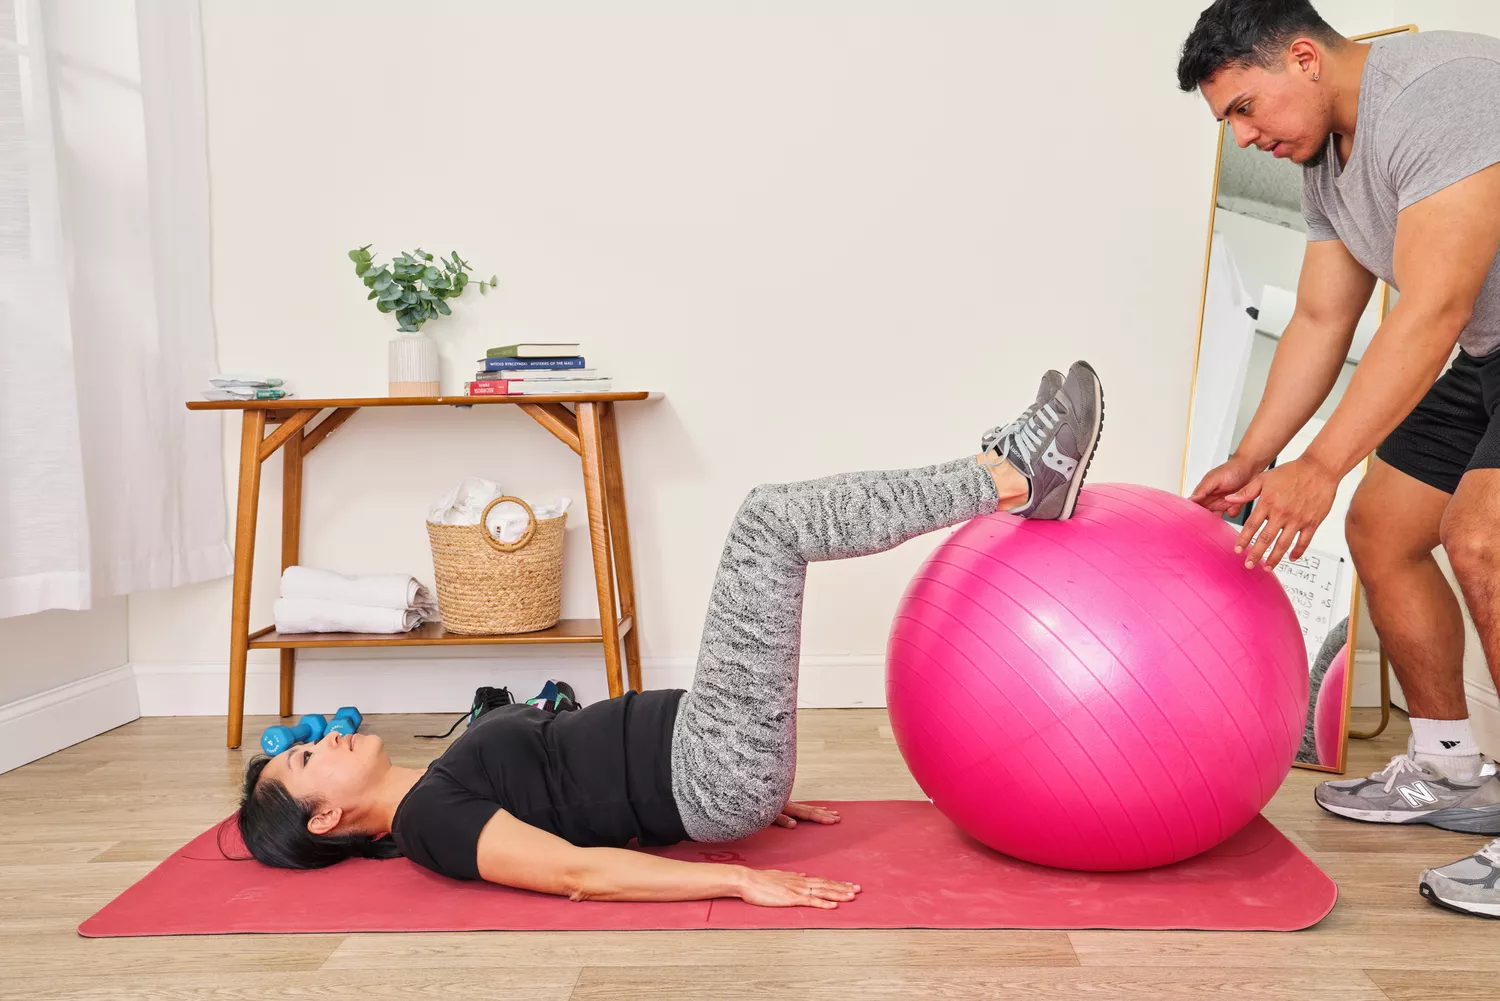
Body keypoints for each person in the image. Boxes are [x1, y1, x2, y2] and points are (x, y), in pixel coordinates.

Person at [234, 362, 1105, 908]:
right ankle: (1013, 475)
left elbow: (580, 788)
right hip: (710, 764)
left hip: (711, 754)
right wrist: (736, 872)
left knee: (768, 523)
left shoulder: (436, 788)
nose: (327, 736)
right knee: (768, 521)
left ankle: (1007, 474)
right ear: (328, 819)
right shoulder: (434, 822)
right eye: (307, 760)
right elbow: (579, 872)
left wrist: (746, 779)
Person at [1177, 0, 1500, 918]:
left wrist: (1320, 464)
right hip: (1488, 348)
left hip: (1468, 330)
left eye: (1244, 107)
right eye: (1227, 122)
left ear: (1305, 59)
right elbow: (1325, 318)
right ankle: (1448, 769)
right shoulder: (1329, 159)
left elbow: (1432, 307)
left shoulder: (1439, 95)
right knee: (1384, 526)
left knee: (1481, 537)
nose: (1242, 138)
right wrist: (1255, 455)